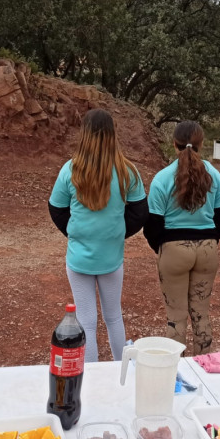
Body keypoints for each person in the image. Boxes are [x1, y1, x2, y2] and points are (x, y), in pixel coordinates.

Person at [48, 109, 148, 362]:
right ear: (113, 134)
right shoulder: (127, 171)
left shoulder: (71, 170)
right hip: (111, 257)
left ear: (84, 134)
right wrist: (117, 233)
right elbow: (140, 212)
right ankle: (119, 369)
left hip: (79, 258)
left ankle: (92, 378)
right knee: (114, 317)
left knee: (86, 320)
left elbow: (56, 208)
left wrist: (73, 233)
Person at [143, 121, 220, 355]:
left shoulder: (162, 178)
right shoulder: (214, 176)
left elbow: (152, 224)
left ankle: (178, 372)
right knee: (202, 314)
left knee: (176, 317)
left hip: (173, 250)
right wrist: (210, 240)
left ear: (174, 144)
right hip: (207, 250)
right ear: (202, 144)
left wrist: (163, 248)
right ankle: (202, 367)